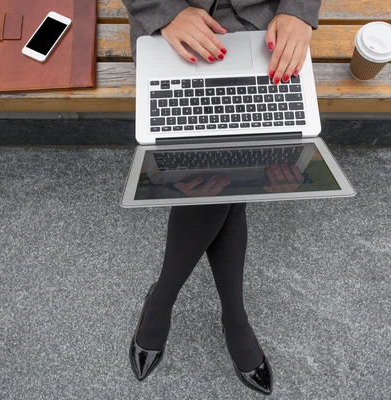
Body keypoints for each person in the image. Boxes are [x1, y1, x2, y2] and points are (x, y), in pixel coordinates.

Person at [122, 0, 321, 395]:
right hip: (177, 27)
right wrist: (162, 11)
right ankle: (233, 316)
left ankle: (162, 300)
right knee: (224, 175)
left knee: (213, 174)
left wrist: (299, 11)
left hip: (267, 27)